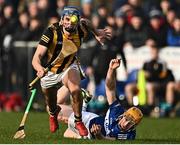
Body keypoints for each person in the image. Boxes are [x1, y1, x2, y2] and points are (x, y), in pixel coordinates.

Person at [32, 6, 111, 136]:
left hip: (69, 66)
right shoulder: (51, 32)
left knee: (75, 89)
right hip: (50, 70)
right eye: (67, 19)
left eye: (73, 20)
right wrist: (39, 68)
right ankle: (53, 114)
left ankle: (78, 121)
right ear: (62, 20)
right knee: (51, 102)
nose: (70, 23)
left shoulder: (81, 27)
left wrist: (96, 32)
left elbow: (86, 22)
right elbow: (36, 57)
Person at [58, 58, 143, 139]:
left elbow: (108, 140)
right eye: (127, 119)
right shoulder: (117, 111)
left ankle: (83, 101)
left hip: (91, 134)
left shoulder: (129, 135)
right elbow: (110, 89)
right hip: (88, 120)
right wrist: (111, 70)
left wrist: (99, 135)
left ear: (134, 126)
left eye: (130, 123)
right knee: (56, 110)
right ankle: (72, 82)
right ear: (123, 115)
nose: (126, 123)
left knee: (67, 134)